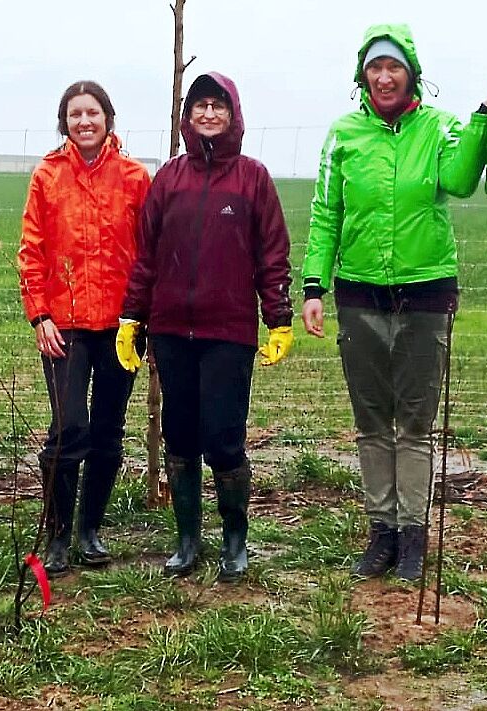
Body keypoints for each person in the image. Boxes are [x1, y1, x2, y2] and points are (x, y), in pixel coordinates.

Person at [300, 23, 487, 582]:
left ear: (411, 75)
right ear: (363, 77)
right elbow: (326, 212)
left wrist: (482, 115)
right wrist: (314, 286)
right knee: (373, 420)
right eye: (375, 68)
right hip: (359, 293)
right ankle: (380, 531)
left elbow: (457, 179)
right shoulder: (344, 135)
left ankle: (412, 537)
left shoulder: (440, 127)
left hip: (427, 292)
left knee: (416, 422)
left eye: (394, 67)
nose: (384, 77)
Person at [116, 72, 294, 581]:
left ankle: (235, 540)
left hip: (227, 333)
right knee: (179, 434)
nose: (209, 114)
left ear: (233, 114)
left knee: (223, 436)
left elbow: (273, 255)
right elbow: (146, 255)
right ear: (187, 116)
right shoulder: (169, 179)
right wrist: (133, 316)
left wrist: (277, 317)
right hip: (172, 331)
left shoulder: (252, 178)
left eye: (218, 105)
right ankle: (188, 539)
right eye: (200, 107)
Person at [18, 80, 151, 576]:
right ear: (65, 122)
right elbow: (31, 250)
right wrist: (40, 315)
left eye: (92, 112)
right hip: (64, 326)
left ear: (108, 118)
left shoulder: (135, 178)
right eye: (75, 114)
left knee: (108, 431)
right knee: (69, 427)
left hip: (120, 326)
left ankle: (90, 528)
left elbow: (148, 254)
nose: (84, 122)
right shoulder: (47, 177)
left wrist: (143, 319)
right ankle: (55, 532)